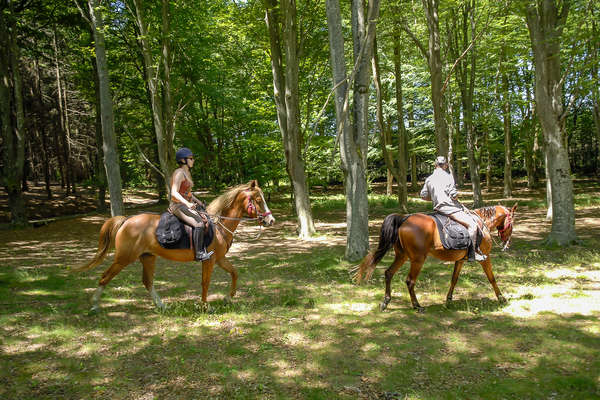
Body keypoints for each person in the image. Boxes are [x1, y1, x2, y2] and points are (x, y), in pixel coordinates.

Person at [420, 156, 486, 261]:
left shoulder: (429, 179)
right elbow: (453, 194)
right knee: (473, 225)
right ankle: (471, 254)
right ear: (445, 165)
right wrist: (455, 196)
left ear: (435, 165)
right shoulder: (448, 176)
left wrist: (435, 198)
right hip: (450, 208)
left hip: (437, 208)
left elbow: (423, 196)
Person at [168, 147, 213, 261]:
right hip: (177, 205)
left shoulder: (186, 173)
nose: (193, 160)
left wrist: (198, 201)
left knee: (205, 217)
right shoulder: (179, 173)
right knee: (199, 223)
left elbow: (187, 193)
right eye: (191, 158)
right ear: (183, 160)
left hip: (184, 203)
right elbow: (174, 192)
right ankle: (199, 254)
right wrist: (187, 204)